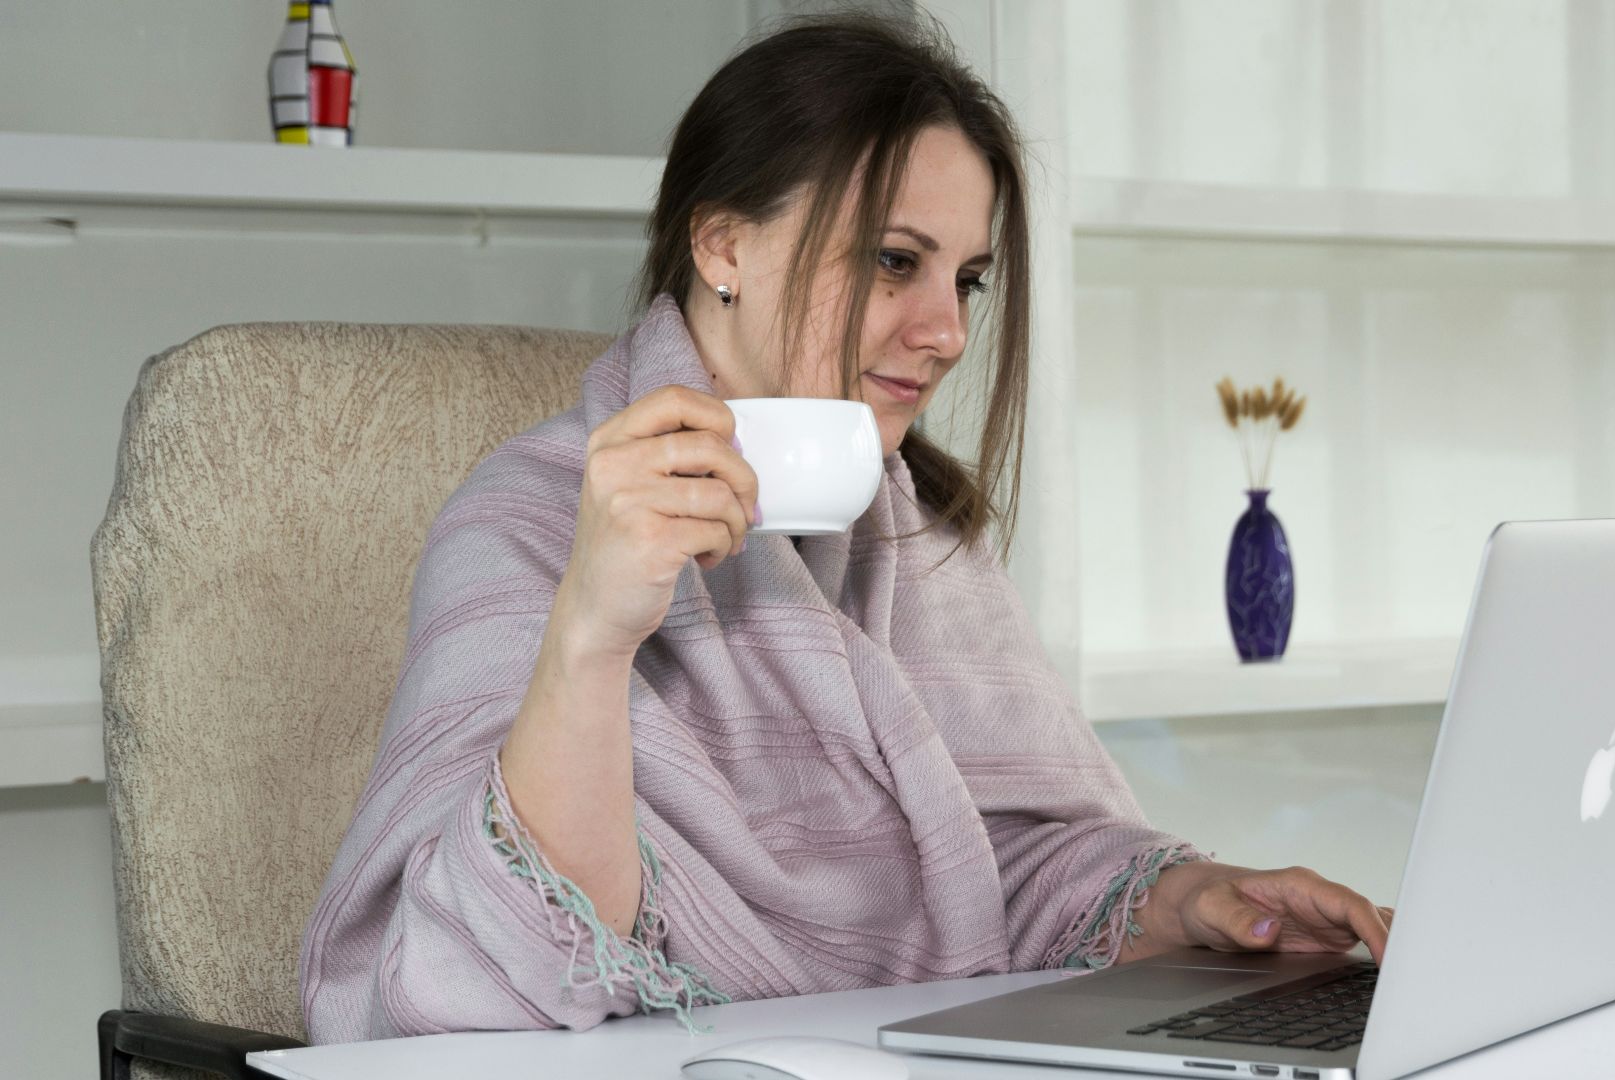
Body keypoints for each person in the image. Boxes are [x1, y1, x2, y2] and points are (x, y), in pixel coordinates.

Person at [299, 11, 1391, 1044]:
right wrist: (592, 633)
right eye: (892, 260)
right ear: (724, 246)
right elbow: (465, 980)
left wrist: (1196, 903)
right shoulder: (523, 528)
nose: (951, 331)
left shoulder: (913, 533)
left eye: (967, 279)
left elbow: (1001, 868)